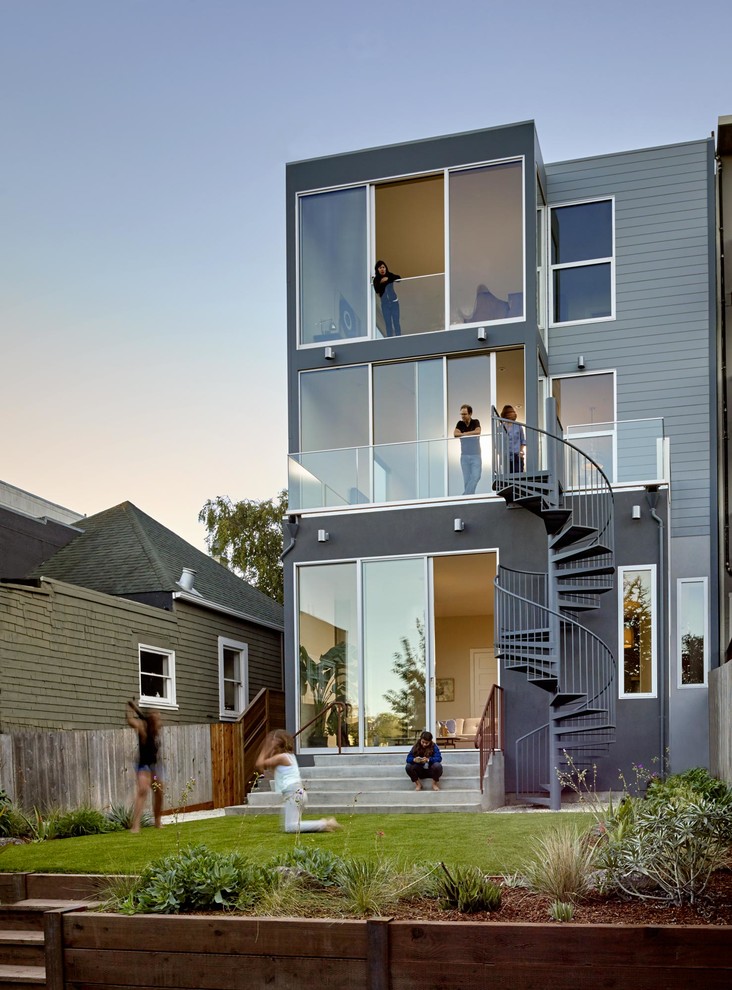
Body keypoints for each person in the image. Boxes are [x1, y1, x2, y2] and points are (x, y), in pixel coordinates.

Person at [255, 729, 341, 833]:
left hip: (293, 794)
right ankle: (324, 825)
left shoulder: (282, 758)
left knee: (291, 827)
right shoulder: (288, 757)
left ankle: (325, 823)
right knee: (294, 825)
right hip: (297, 793)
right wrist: (271, 747)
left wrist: (267, 747)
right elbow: (262, 768)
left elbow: (259, 763)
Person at [126, 700, 163, 832]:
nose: (158, 715)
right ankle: (135, 825)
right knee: (142, 791)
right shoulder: (143, 727)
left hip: (154, 766)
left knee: (159, 792)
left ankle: (158, 822)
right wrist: (130, 709)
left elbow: (157, 724)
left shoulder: (156, 728)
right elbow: (131, 721)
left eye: (158, 713)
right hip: (144, 766)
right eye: (155, 713)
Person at [454, 404, 482, 494]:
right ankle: (469, 498)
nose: (462, 416)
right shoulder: (460, 423)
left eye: (465, 414)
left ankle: (464, 496)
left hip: (476, 455)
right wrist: (470, 433)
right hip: (464, 456)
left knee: (476, 476)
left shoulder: (475, 422)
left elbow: (478, 432)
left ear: (470, 414)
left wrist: (464, 433)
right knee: (466, 480)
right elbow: (455, 434)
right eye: (461, 414)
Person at [372, 260, 402, 336]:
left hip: (394, 302)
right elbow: (378, 290)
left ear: (386, 268)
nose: (382, 269)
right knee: (388, 323)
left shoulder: (389, 275)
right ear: (377, 270)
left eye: (383, 267)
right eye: (380, 268)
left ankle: (399, 338)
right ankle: (390, 339)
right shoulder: (376, 280)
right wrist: (382, 282)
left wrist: (387, 279)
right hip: (385, 304)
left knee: (396, 322)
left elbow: (399, 278)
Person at [500, 404, 526, 473]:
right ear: (505, 414)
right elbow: (499, 442)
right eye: (509, 412)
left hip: (516, 455)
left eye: (512, 412)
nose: (511, 414)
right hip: (506, 455)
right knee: (507, 476)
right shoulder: (502, 427)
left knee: (518, 475)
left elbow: (523, 441)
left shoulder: (518, 426)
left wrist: (520, 451)